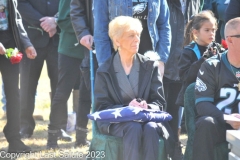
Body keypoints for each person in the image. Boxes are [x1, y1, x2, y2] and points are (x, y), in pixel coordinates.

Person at [94, 16, 175, 160]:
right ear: (117, 40)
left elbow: (160, 103)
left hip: (147, 119)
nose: (137, 39)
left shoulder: (150, 66)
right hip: (117, 122)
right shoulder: (105, 70)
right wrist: (127, 108)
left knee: (151, 128)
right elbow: (102, 107)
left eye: (138, 34)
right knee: (133, 127)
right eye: (131, 35)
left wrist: (147, 106)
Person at [47, 0, 93, 149]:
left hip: (90, 50)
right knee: (62, 94)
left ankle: (81, 137)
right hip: (70, 50)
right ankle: (52, 138)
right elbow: (63, 20)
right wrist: (84, 31)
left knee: (86, 94)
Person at [193, 17, 240, 160]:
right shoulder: (211, 66)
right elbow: (202, 104)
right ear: (230, 40)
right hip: (221, 123)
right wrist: (226, 118)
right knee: (205, 123)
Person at [17, 0, 62, 139]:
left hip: (58, 40)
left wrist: (56, 20)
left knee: (60, 87)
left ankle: (58, 127)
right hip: (31, 41)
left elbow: (70, 4)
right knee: (27, 87)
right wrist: (45, 23)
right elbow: (21, 4)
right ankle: (25, 126)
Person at [93, 0, 171, 78]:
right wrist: (106, 67)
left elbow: (164, 27)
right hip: (118, 62)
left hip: (150, 61)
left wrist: (161, 61)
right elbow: (100, 31)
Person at [0, 0, 37, 152]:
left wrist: (26, 43)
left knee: (14, 94)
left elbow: (16, 19)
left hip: (9, 45)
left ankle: (14, 139)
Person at [176, 10, 221, 109]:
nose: (211, 33)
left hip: (213, 98)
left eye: (213, 30)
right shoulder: (188, 51)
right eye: (207, 30)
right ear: (196, 32)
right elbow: (185, 77)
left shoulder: (218, 50)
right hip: (192, 100)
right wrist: (203, 59)